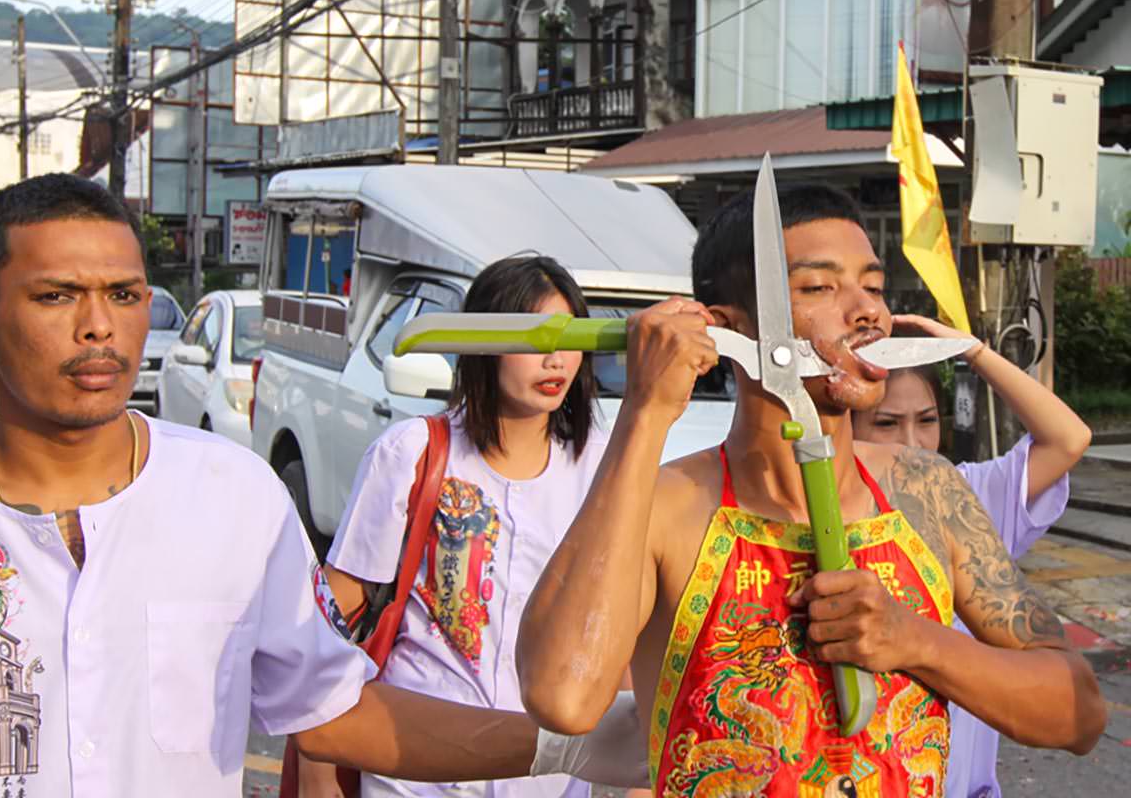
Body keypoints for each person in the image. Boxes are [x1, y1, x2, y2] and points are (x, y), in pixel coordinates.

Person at [0, 173, 646, 796]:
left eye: (123, 295)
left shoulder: (232, 496)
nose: (99, 327)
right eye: (56, 296)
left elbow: (335, 708)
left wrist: (576, 746)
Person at [515, 182, 1106, 797]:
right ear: (726, 328)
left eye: (873, 287)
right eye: (821, 287)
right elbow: (563, 697)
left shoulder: (925, 489)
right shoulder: (667, 506)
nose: (867, 312)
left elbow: (1079, 713)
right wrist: (644, 411)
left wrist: (917, 641)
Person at [294, 256, 618, 798]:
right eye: (533, 336)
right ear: (480, 342)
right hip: (414, 766)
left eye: (569, 337)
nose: (554, 358)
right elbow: (335, 618)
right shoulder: (412, 453)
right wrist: (318, 773)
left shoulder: (604, 467)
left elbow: (621, 628)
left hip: (550, 777)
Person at [853, 314, 1092, 798]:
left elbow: (1068, 439)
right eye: (886, 424)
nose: (911, 443)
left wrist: (974, 352)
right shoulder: (813, 513)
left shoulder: (963, 494)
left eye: (926, 421)